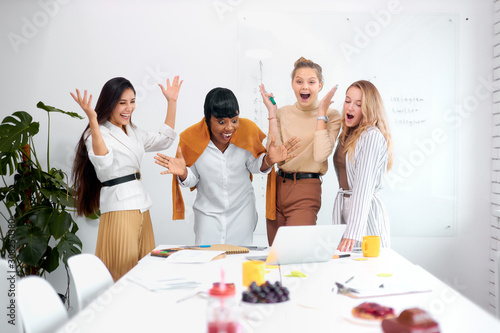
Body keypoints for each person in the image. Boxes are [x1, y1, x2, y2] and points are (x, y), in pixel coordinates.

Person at [71, 76, 183, 281]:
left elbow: (164, 140)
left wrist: (171, 102)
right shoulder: (96, 133)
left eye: (132, 101)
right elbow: (103, 164)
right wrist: (93, 121)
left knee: (147, 268)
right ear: (109, 103)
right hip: (119, 207)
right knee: (122, 273)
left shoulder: (134, 132)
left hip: (141, 205)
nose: (128, 108)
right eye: (122, 102)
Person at [154, 87, 299, 245]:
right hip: (207, 215)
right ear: (208, 119)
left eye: (234, 120)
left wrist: (268, 161)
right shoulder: (191, 138)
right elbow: (193, 179)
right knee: (207, 260)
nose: (229, 128)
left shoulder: (247, 130)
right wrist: (183, 173)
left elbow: (254, 166)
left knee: (238, 261)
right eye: (221, 122)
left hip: (242, 212)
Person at [260, 57, 342, 245]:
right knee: (276, 255)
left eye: (311, 82)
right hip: (277, 187)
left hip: (306, 190)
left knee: (296, 253)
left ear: (320, 85)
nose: (305, 87)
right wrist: (272, 113)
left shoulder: (332, 116)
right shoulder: (282, 112)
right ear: (292, 85)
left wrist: (321, 113)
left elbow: (321, 154)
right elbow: (273, 154)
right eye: (299, 81)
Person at [332, 80, 393, 252]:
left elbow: (363, 187)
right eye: (347, 101)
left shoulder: (371, 137)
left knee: (368, 267)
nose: (349, 108)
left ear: (368, 109)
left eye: (358, 104)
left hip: (364, 213)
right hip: (345, 207)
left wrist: (353, 231)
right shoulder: (347, 135)